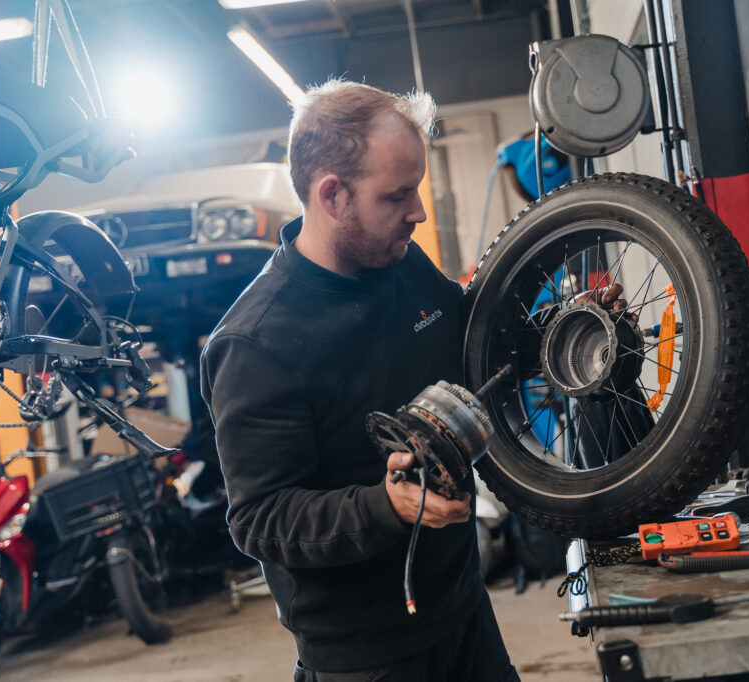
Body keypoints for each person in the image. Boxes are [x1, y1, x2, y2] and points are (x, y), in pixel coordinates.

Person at [199, 80, 520, 681]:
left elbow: (471, 344)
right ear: (332, 194)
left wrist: (561, 333)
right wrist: (386, 507)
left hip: (462, 608)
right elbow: (260, 518)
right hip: (364, 655)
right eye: (397, 195)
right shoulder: (254, 345)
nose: (418, 212)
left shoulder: (402, 261)